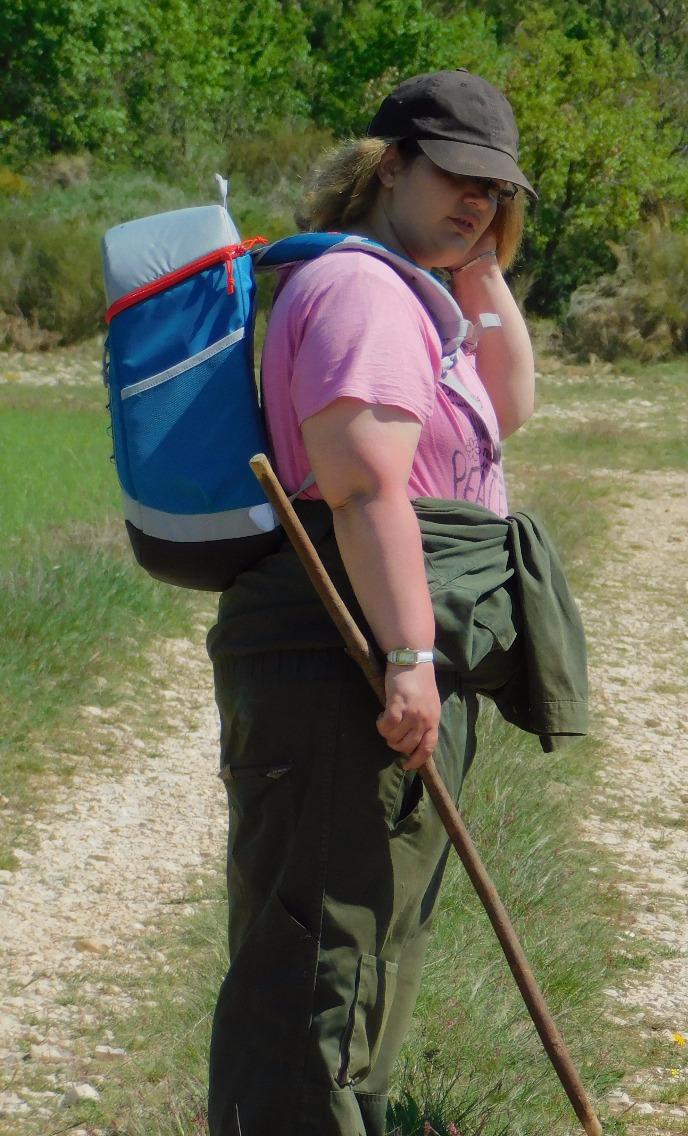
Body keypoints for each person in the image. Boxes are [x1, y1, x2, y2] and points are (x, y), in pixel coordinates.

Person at [203, 70, 578, 1135]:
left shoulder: (416, 290)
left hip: (372, 655)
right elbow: (366, 485)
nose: (479, 202)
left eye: (500, 191)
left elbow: (507, 408)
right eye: (460, 178)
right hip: (348, 663)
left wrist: (482, 267)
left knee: (365, 955)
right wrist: (410, 656)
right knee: (322, 961)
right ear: (393, 162)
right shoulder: (363, 295)